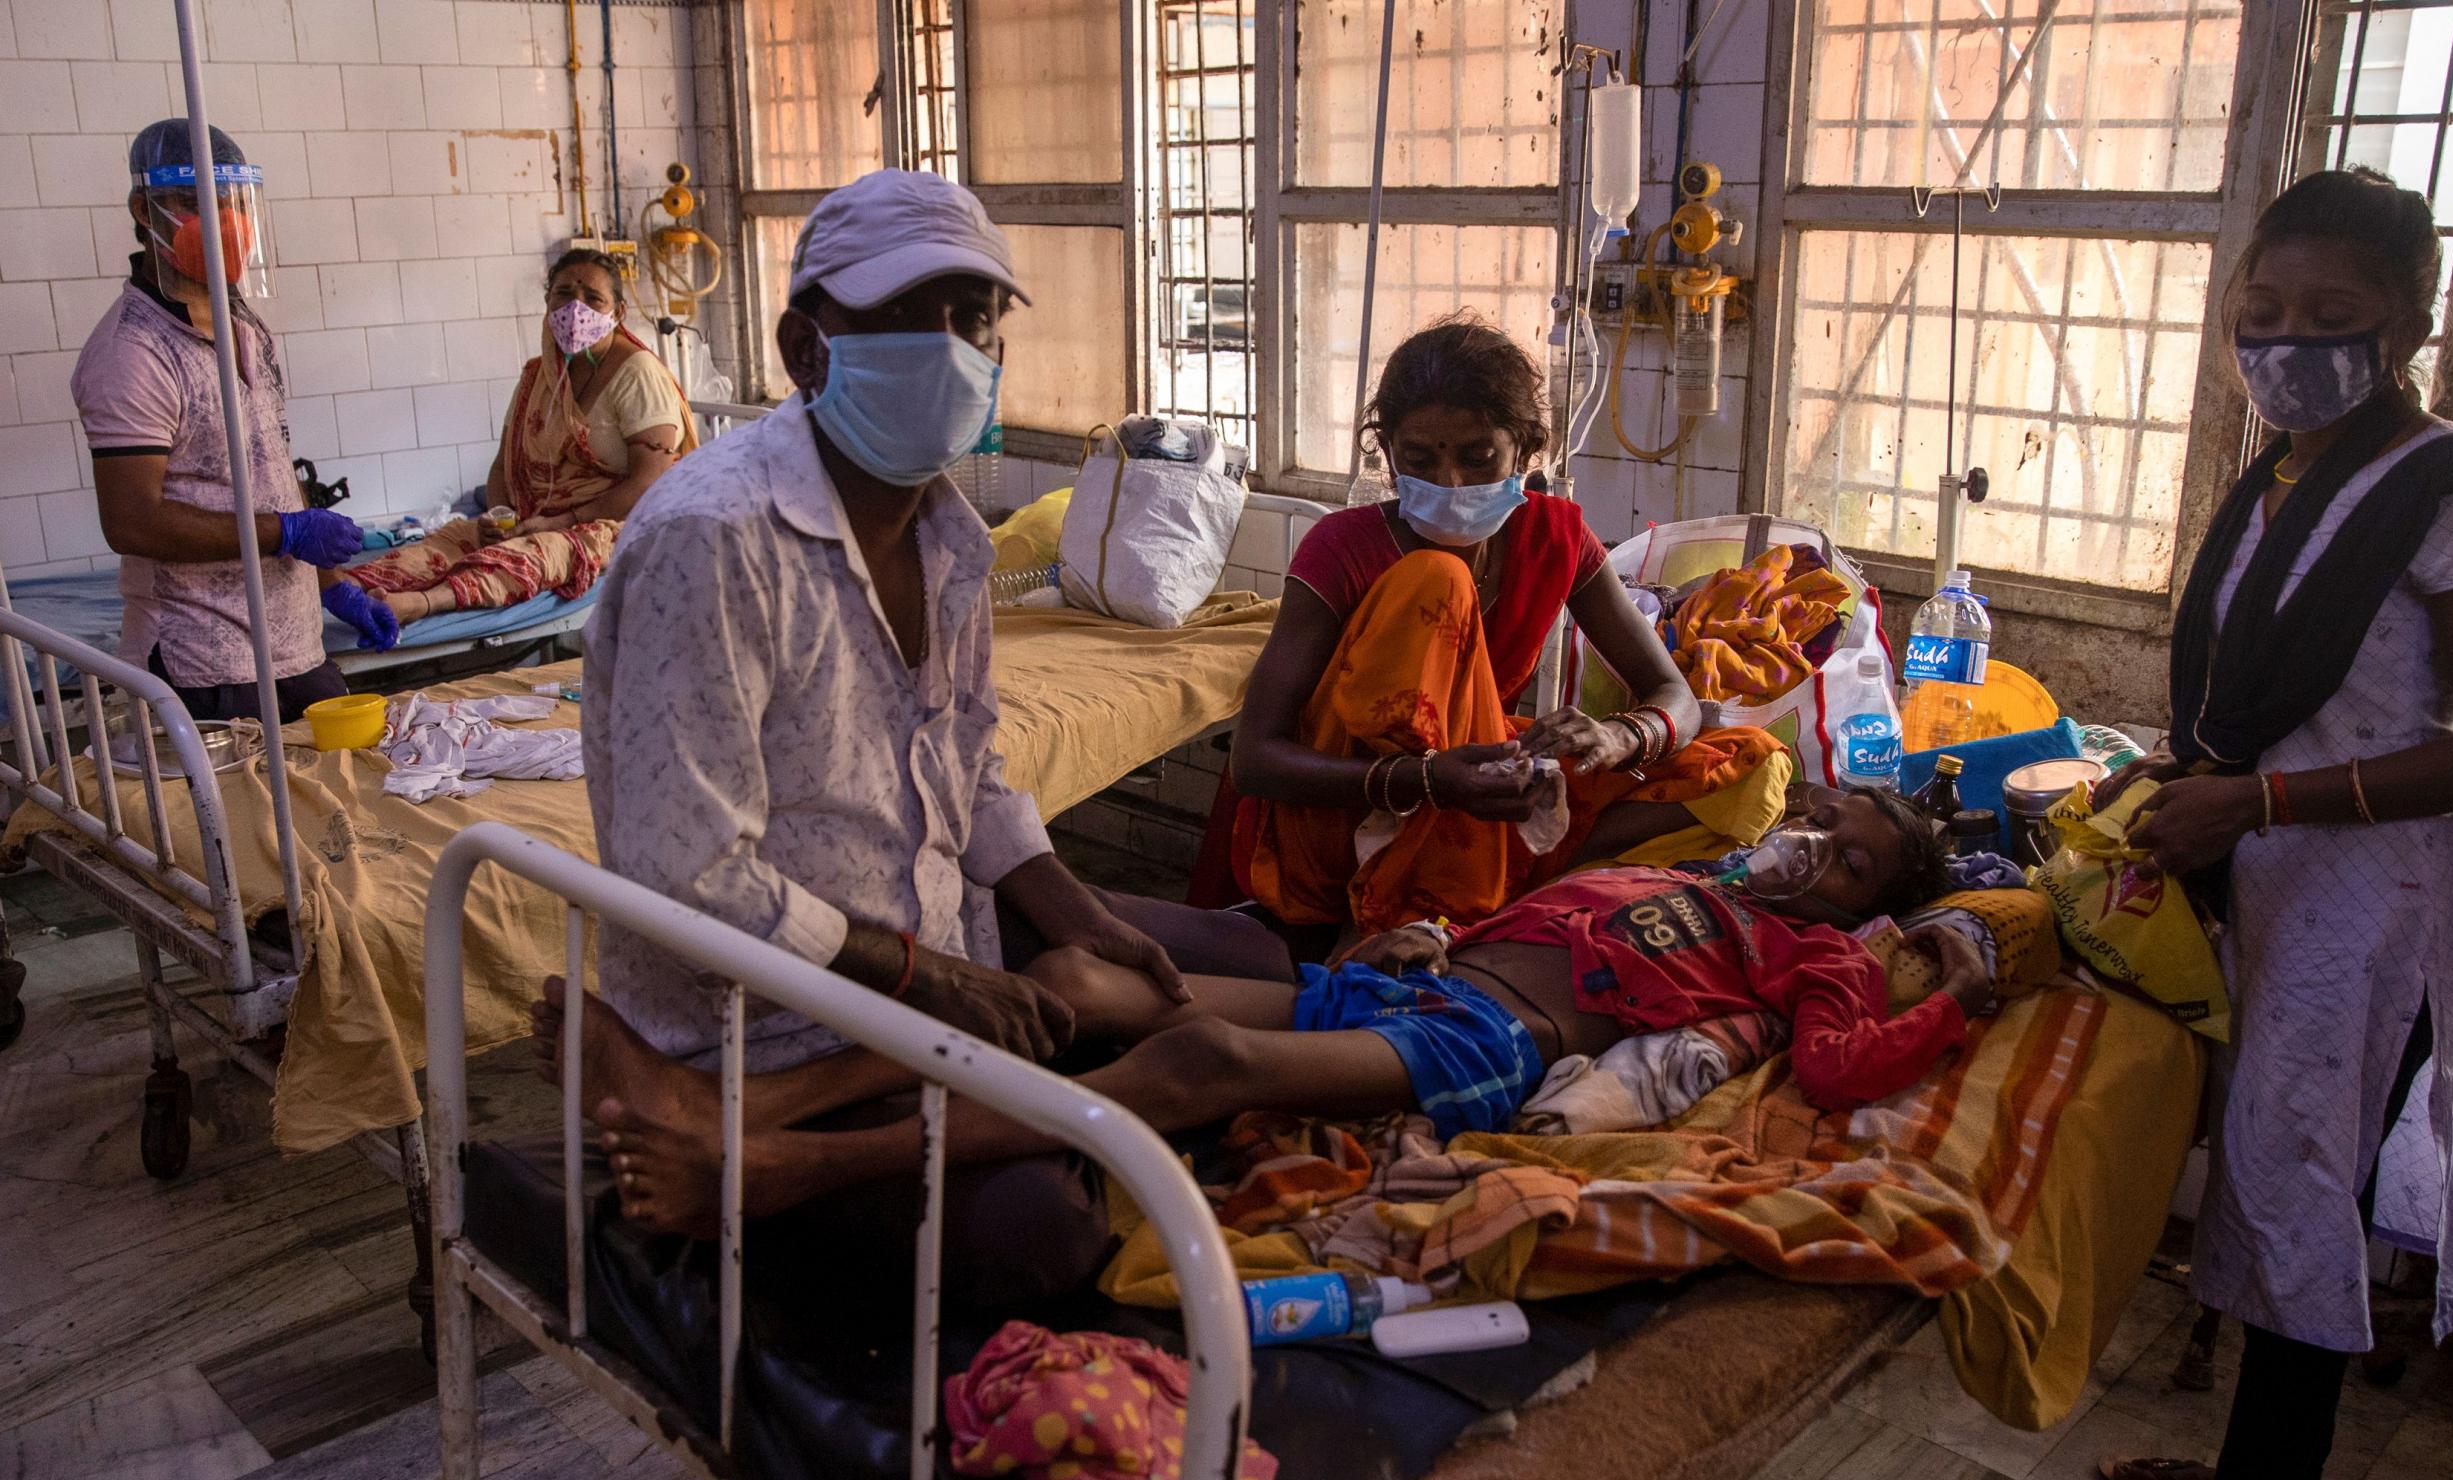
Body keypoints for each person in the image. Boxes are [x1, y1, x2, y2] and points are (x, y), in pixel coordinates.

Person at [2001, 168, 2453, 1480]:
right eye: (2260, 314)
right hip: (2277, 878)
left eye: (2333, 316)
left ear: (2409, 320)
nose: (2285, 343)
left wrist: (2256, 808)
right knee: (2268, 1185)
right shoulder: (2281, 478)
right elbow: (2273, 706)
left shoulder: (2444, 487)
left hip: (2368, 898)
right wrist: (2187, 786)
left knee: (2298, 1193)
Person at [578, 169, 1288, 1297]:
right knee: (1040, 1236)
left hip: (941, 938)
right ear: (805, 348)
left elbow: (967, 758)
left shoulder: (949, 534)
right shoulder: (713, 540)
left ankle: (1022, 1042)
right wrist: (926, 980)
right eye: (913, 319)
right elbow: (690, 868)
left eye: (976, 319)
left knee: (1251, 960)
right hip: (777, 1015)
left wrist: (1071, 903)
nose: (958, 350)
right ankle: (742, 1119)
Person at [538, 787, 1981, 1241]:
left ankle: (779, 1164)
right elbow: (1554, 916)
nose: (1811, 846)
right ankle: (743, 1101)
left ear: (1865, 907)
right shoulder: (1700, 868)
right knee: (1072, 982)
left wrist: (1959, 991)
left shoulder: (1820, 958)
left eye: (1846, 858)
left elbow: (1847, 1062)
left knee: (1205, 1058)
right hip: (1412, 977)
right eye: (1823, 818)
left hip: (1476, 1046)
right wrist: (1438, 930)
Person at [1223, 315, 1783, 941]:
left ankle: (1499, 886)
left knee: (1749, 764)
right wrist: (1427, 781)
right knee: (1438, 579)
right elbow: (1254, 760)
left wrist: (1619, 737)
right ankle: (1413, 909)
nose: (1450, 481)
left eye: (1478, 456)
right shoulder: (1345, 548)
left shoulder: (1555, 536)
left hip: (1479, 791)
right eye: (1419, 458)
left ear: (1526, 448)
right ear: (1387, 452)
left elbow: (1672, 694)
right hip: (1352, 810)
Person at [71, 119, 391, 723]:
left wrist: (332, 585)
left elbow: (269, 468)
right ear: (145, 210)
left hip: (292, 649)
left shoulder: (242, 325)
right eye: (193, 203)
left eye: (232, 203)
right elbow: (133, 522)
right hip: (203, 664)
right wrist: (285, 534)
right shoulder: (133, 352)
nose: (223, 222)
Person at [342, 248, 697, 623]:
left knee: (525, 557)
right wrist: (501, 518)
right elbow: (504, 466)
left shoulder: (637, 373)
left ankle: (422, 604)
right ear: (547, 302)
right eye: (563, 295)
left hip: (616, 525)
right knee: (445, 544)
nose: (576, 309)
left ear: (618, 312)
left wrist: (559, 523)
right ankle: (346, 588)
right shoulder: (539, 375)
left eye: (593, 298)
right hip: (534, 519)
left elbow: (651, 480)